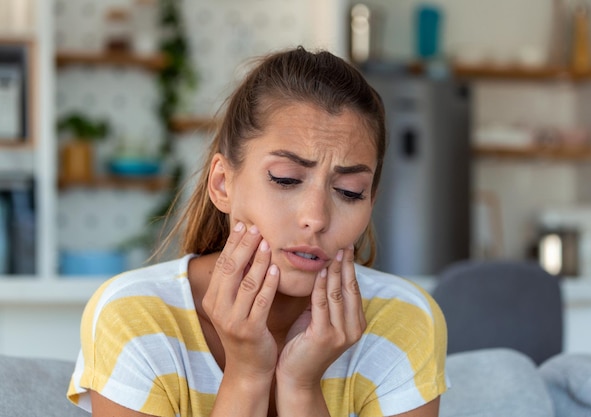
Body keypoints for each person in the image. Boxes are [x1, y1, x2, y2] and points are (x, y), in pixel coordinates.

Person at [67, 46, 448, 417]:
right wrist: (246, 376)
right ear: (222, 184)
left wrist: (301, 388)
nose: (316, 217)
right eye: (285, 180)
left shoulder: (404, 322)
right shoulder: (134, 318)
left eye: (349, 192)